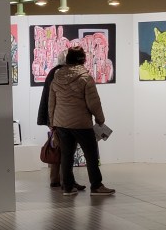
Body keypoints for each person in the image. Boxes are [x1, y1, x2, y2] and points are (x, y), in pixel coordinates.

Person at [49, 46, 114, 197]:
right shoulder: (85, 78)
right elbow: (94, 103)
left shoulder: (57, 78)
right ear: (83, 60)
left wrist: (52, 123)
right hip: (81, 124)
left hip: (61, 123)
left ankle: (68, 187)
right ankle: (96, 186)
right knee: (91, 155)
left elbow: (51, 103)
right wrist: (100, 119)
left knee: (66, 155)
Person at [37, 53, 85, 191]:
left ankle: (55, 179)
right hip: (60, 117)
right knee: (66, 150)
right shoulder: (61, 73)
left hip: (55, 116)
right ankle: (66, 181)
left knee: (58, 148)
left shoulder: (54, 72)